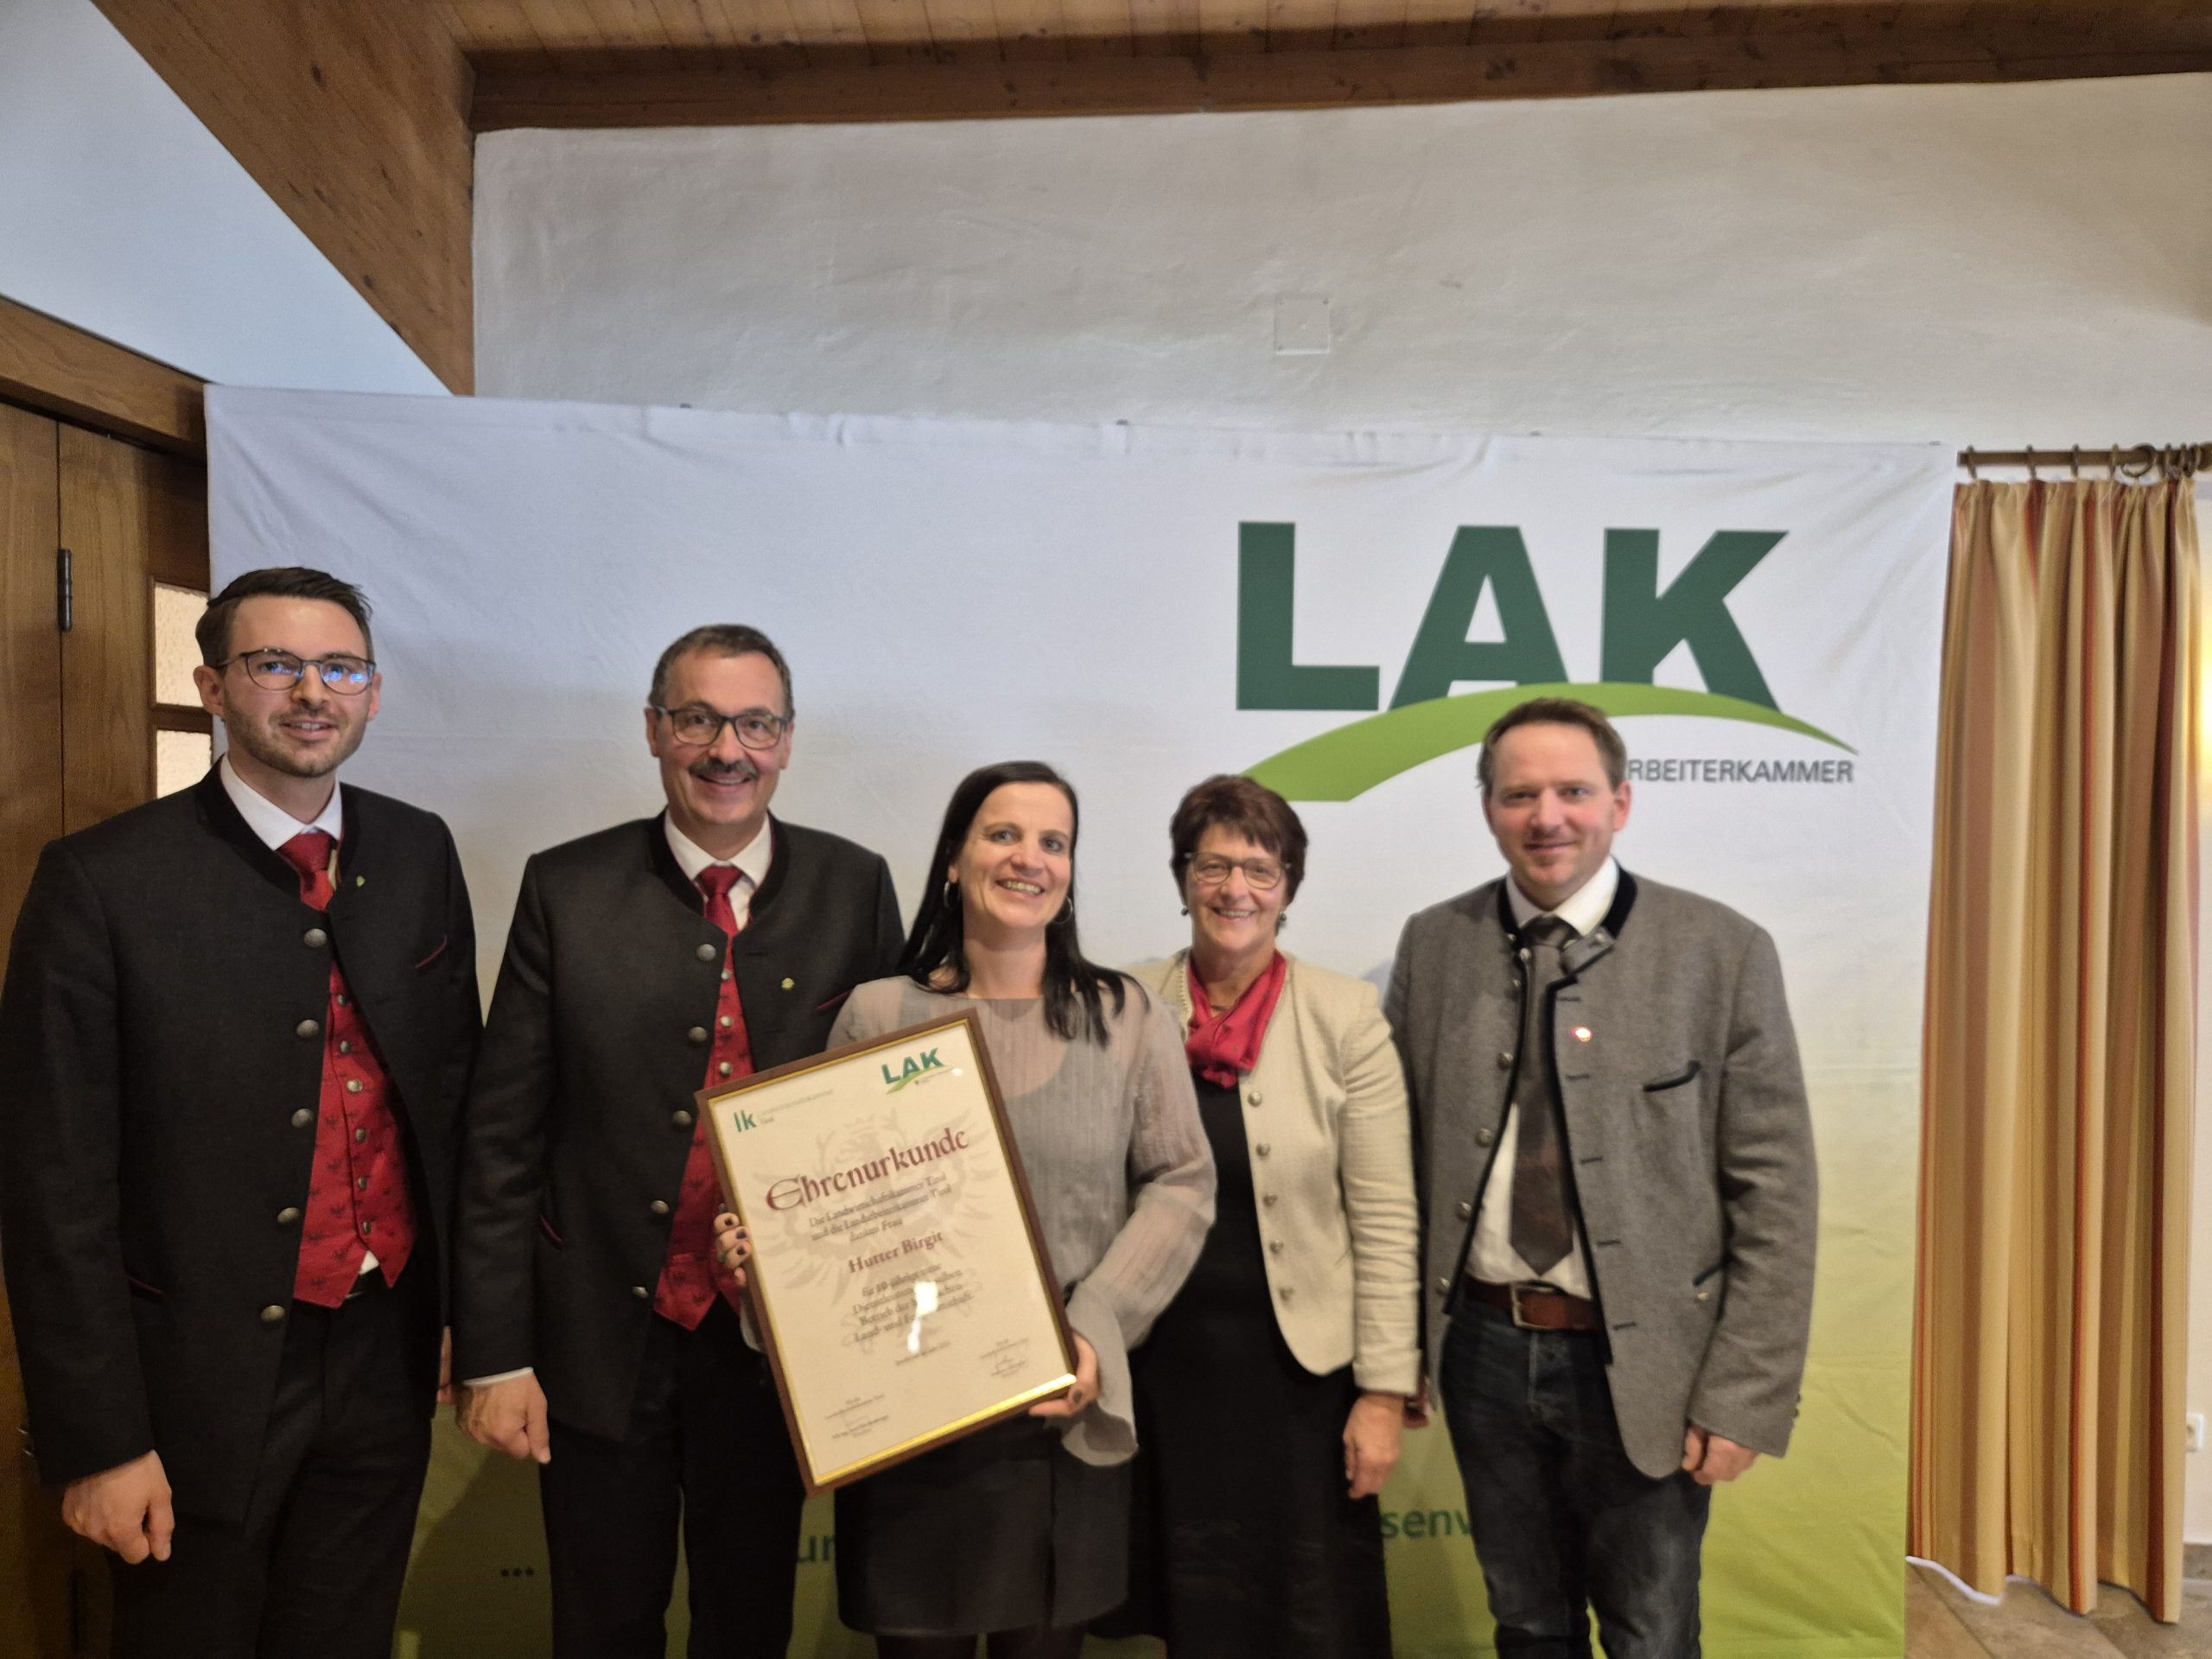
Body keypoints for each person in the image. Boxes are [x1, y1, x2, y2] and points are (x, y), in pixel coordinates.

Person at [0, 567, 480, 1658]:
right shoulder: (101, 881)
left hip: (386, 1345)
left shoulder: (419, 850)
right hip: (192, 1379)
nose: (311, 692)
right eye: (275, 665)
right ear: (213, 686)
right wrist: (100, 1441)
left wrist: (473, 1316)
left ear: (372, 691)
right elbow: (52, 1187)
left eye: (340, 668)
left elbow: (454, 1106)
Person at [450, 624, 903, 1658]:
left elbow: (883, 1117)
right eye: (698, 720)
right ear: (655, 730)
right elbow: (502, 1138)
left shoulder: (856, 885)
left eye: (755, 724)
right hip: (601, 1337)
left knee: (748, 1623)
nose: (726, 750)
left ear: (787, 740)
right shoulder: (565, 887)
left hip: (773, 1344)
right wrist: (493, 1353)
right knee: (603, 1624)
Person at [725, 759, 1213, 1659]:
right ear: (954, 859)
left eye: (1053, 842)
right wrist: (769, 1254)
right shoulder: (881, 1014)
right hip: (913, 1427)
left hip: (1061, 1414)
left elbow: (1182, 1180)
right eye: (1003, 834)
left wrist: (1096, 1327)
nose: (1029, 858)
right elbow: (826, 1204)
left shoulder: (1126, 1016)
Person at [1386, 696, 1817, 1659]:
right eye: (1519, 795)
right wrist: (1395, 1350)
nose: (1547, 816)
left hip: (1650, 1368)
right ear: (1488, 809)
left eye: (1573, 792)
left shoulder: (1722, 952)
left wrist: (1742, 1394)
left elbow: (1777, 1194)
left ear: (1620, 803)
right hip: (1481, 1349)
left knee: (1650, 1634)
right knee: (1526, 1623)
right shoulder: (1433, 944)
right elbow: (1397, 1165)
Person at [1103, 774, 1419, 1657]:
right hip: (1160, 1373)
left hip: (1299, 1383)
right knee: (1189, 1618)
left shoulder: (1345, 1015)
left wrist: (1383, 1393)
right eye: (1212, 866)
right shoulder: (1122, 1004)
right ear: (1182, 879)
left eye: (1259, 869)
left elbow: (1387, 1218)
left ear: (1287, 888)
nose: (1234, 889)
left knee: (1306, 1619)